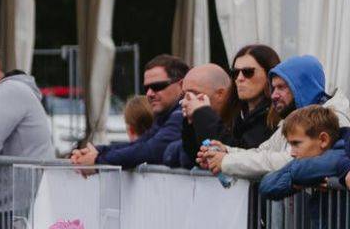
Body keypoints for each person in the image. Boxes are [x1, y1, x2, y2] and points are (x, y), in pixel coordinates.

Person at [201, 56, 337, 181]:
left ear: (303, 87)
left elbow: (287, 161)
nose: (274, 95)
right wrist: (227, 151)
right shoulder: (296, 118)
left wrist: (226, 161)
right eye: (273, 88)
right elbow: (263, 152)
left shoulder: (332, 117)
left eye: (281, 87)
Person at [71, 56, 190, 167]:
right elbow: (139, 144)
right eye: (146, 88)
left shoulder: (183, 113)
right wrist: (99, 151)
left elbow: (152, 150)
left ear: (181, 85)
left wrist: (98, 160)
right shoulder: (167, 115)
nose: (149, 93)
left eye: (157, 86)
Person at [225, 44, 285, 148]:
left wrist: (203, 113)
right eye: (235, 72)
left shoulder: (276, 116)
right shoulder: (234, 112)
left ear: (269, 74)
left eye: (248, 72)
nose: (239, 78)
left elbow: (243, 151)